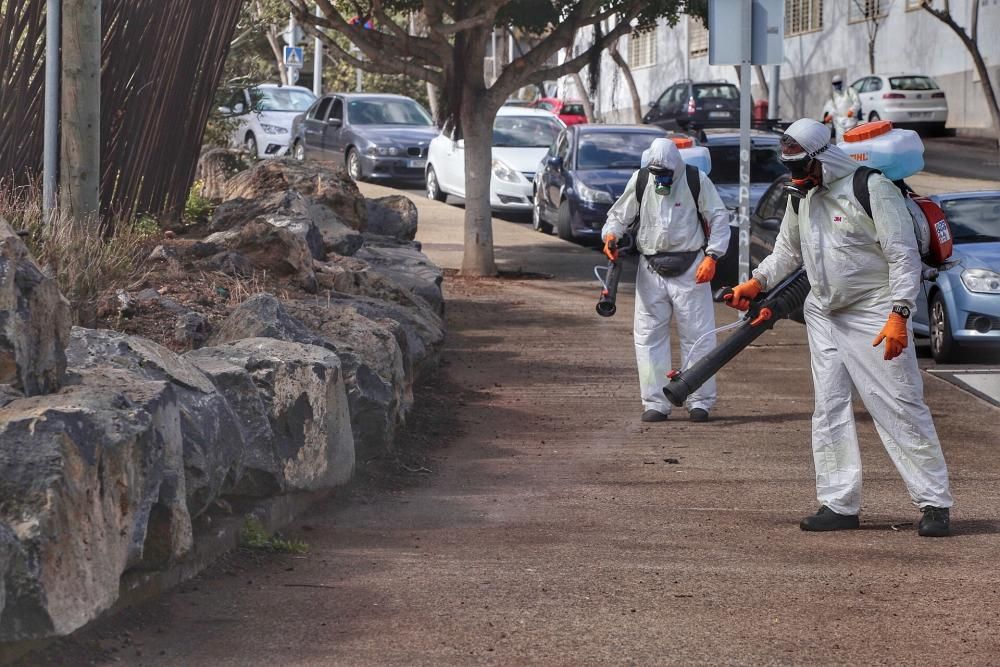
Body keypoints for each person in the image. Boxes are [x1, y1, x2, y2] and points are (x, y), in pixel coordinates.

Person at [724, 118, 953, 537]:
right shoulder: (801, 197)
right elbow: (787, 252)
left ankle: (934, 502)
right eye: (790, 168)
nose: (796, 178)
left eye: (801, 168)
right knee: (829, 407)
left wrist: (900, 314)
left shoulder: (870, 188)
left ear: (821, 158)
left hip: (875, 309)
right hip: (824, 313)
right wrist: (756, 282)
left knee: (898, 404)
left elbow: (903, 257)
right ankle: (838, 502)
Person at [601, 138, 731, 423]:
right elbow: (619, 215)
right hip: (650, 268)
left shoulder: (697, 180)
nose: (661, 180)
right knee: (648, 337)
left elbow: (719, 217)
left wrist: (713, 256)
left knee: (698, 336)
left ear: (677, 167)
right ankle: (655, 402)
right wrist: (611, 235)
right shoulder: (642, 180)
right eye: (657, 174)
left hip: (691, 266)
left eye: (665, 175)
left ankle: (700, 400)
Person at [822, 75, 862, 143]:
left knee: (852, 140)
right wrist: (830, 115)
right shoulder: (833, 95)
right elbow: (833, 109)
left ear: (841, 82)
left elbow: (857, 102)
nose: (836, 85)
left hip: (851, 121)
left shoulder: (850, 91)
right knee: (840, 142)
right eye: (834, 84)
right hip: (839, 122)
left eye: (838, 83)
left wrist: (852, 110)